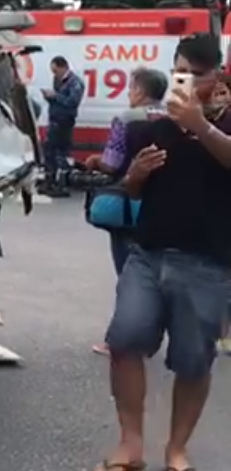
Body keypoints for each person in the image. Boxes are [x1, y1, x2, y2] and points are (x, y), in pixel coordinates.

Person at [93, 33, 231, 471]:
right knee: (125, 338)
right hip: (147, 254)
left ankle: (177, 448)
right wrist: (135, 176)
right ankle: (130, 444)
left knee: (193, 360)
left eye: (197, 74)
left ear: (219, 74)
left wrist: (203, 126)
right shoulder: (156, 126)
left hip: (208, 263)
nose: (187, 83)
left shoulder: (226, 122)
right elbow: (134, 191)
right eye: (180, 73)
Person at [82, 67, 167, 356]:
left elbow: (113, 163)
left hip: (129, 203)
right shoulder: (173, 116)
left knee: (128, 271)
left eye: (131, 88)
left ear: (141, 91)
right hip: (164, 203)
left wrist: (93, 161)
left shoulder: (127, 119)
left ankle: (119, 338)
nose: (129, 93)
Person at [40, 55, 84, 197]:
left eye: (55, 71)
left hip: (64, 122)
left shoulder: (75, 82)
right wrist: (49, 98)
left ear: (63, 67)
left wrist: (55, 96)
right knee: (49, 152)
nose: (54, 74)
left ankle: (62, 185)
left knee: (61, 154)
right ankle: (50, 181)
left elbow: (72, 102)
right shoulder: (58, 80)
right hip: (54, 120)